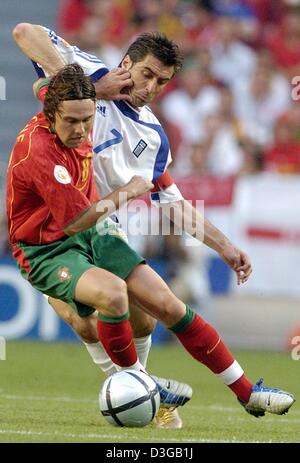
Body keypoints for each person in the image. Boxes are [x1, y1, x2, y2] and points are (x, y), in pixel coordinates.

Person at [12, 25, 295, 425]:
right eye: (146, 74)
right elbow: (25, 32)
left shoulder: (151, 134)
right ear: (126, 63)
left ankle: (246, 392)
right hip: (47, 230)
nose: (151, 86)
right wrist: (86, 86)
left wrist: (226, 247)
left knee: (160, 307)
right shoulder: (88, 71)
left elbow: (175, 205)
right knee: (89, 318)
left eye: (161, 81)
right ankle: (145, 389)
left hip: (96, 225)